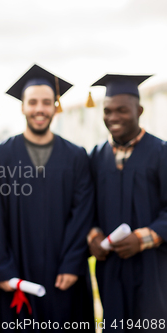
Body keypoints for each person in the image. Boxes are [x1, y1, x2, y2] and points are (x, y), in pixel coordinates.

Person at [0, 64, 94, 331]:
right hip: (16, 272)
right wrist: (3, 269)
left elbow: (83, 213)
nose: (39, 109)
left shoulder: (76, 156)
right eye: (32, 102)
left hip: (63, 273)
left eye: (46, 102)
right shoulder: (0, 155)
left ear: (56, 106)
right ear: (22, 106)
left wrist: (72, 263)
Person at [87, 74, 167, 331]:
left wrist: (143, 238)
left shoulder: (161, 152)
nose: (113, 117)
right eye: (107, 111)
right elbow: (87, 208)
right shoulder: (96, 156)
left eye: (122, 110)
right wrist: (93, 236)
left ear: (139, 110)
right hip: (110, 268)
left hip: (152, 267)